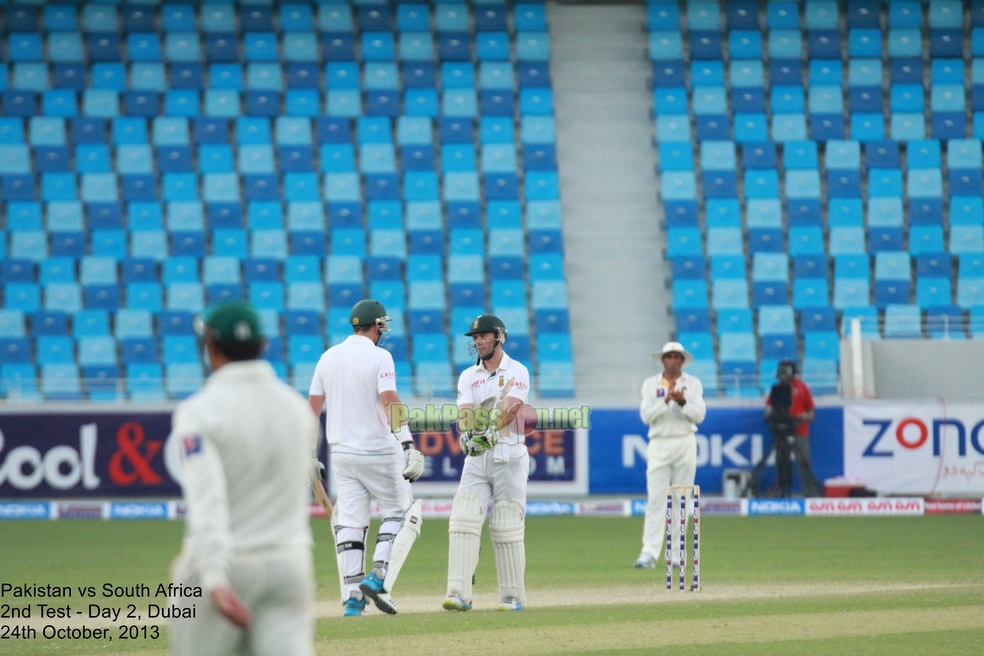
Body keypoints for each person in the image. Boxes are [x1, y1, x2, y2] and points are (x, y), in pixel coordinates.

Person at [169, 300, 320, 656]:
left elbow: (208, 498)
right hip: (290, 565)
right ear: (262, 345)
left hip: (229, 565)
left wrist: (213, 575)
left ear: (210, 345)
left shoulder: (199, 411)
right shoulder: (297, 409)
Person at [308, 299, 425, 617]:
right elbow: (390, 401)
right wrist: (408, 444)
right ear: (377, 327)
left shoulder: (328, 357)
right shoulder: (380, 356)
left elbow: (312, 409)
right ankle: (377, 576)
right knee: (400, 513)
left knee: (350, 523)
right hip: (379, 450)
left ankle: (351, 599)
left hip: (342, 454)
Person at [445, 314, 531, 612]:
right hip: (478, 458)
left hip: (510, 456)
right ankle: (458, 594)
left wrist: (492, 428)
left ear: (500, 337)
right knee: (463, 518)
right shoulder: (469, 375)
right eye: (475, 337)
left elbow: (511, 407)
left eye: (484, 336)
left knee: (507, 524)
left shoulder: (518, 370)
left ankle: (512, 596)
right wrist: (469, 433)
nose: (479, 341)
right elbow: (465, 411)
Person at [634, 341, 706, 570]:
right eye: (669, 357)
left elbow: (699, 416)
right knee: (656, 499)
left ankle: (676, 554)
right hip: (659, 443)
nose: (673, 360)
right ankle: (649, 553)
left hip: (685, 440)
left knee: (681, 498)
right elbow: (646, 416)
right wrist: (666, 400)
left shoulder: (692, 384)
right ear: (663, 360)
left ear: (682, 361)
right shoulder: (650, 384)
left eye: (677, 357)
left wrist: (682, 402)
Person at [764, 360, 822, 497]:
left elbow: (811, 412)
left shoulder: (802, 388)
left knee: (804, 463)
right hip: (781, 431)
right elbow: (768, 408)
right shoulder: (777, 390)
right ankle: (780, 492)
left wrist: (802, 417)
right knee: (782, 463)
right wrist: (771, 414)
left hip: (800, 431)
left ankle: (810, 494)